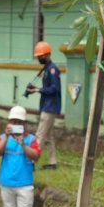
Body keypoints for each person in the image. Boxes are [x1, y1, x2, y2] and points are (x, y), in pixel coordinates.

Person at [26, 41, 60, 170]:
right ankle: (52, 163)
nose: (39, 58)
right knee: (49, 137)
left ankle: (31, 163)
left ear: (47, 55)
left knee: (40, 135)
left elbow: (54, 88)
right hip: (47, 105)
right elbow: (47, 87)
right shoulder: (46, 69)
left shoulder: (52, 69)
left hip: (50, 107)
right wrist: (36, 89)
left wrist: (38, 90)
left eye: (40, 56)